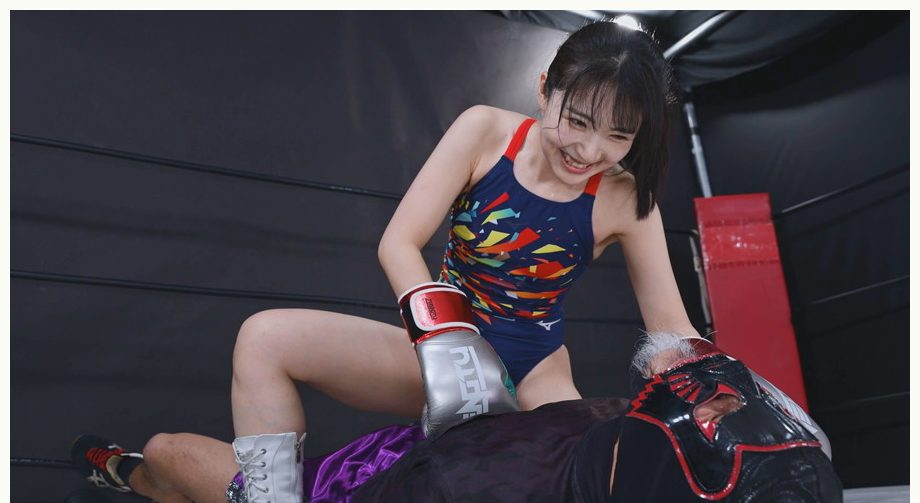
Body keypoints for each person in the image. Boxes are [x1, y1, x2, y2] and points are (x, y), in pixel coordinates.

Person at [221, 18, 703, 501]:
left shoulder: (626, 199)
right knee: (263, 339)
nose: (589, 150)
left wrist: (716, 385)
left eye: (618, 135)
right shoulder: (485, 132)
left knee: (589, 485)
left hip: (535, 371)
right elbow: (399, 243)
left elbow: (671, 331)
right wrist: (448, 347)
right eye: (577, 121)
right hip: (442, 346)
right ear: (544, 90)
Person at [71, 332, 842, 502]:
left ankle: (126, 473)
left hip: (367, 489)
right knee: (267, 341)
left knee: (166, 454)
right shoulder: (616, 417)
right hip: (429, 450)